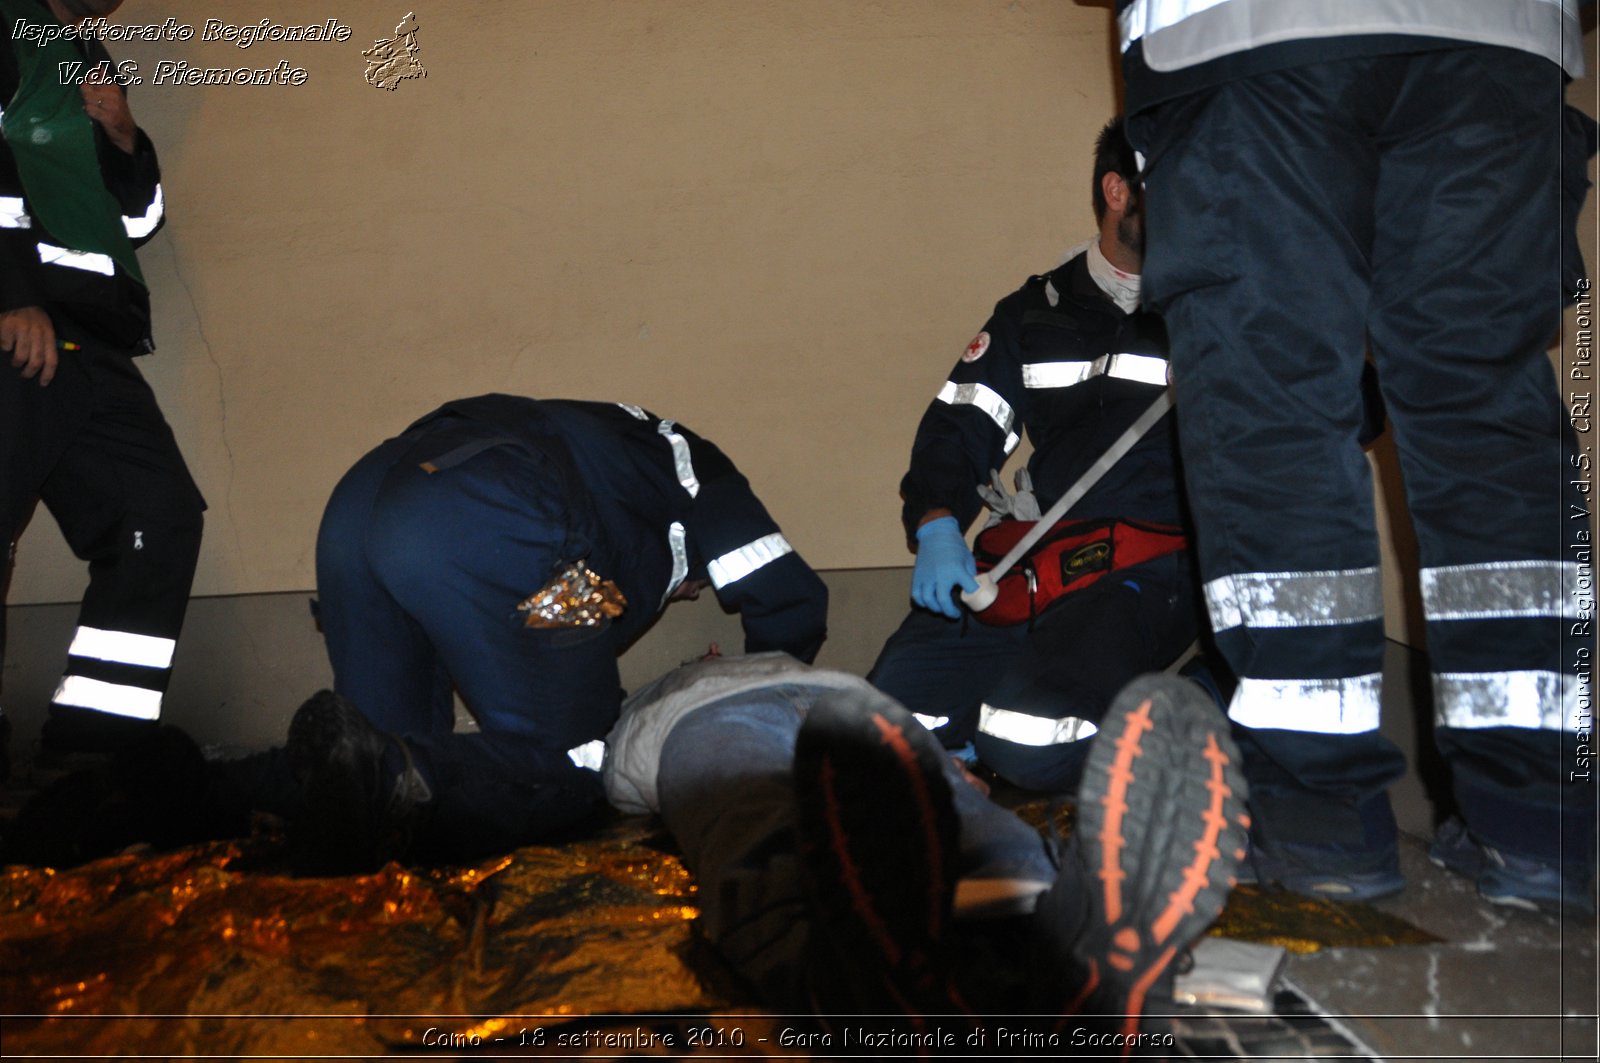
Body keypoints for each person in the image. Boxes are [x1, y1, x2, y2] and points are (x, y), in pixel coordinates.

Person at [1116, 0, 1595, 913]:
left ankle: (1318, 812)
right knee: (1487, 412)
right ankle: (1542, 821)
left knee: (1275, 409)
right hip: (1506, 36)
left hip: (1249, 37)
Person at [282, 394, 830, 871]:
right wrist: (760, 691)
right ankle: (384, 775)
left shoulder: (611, 481)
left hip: (363, 499)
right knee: (575, 760)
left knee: (361, 775)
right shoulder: (694, 469)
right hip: (474, 501)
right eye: (697, 587)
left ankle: (223, 788)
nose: (692, 596)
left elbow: (556, 635)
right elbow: (789, 596)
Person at [605, 653, 1249, 1043]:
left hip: (793, 707)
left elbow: (631, 789)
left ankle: (886, 969)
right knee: (937, 812)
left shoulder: (657, 702)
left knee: (758, 821)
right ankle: (1048, 939)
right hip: (784, 708)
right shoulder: (652, 696)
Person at [868, 118, 1204, 793]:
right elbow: (960, 423)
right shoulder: (1036, 311)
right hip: (1035, 557)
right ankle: (973, 733)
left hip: (1151, 562)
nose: (1196, 200)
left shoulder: (1214, 307)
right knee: (879, 729)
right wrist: (936, 521)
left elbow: (1327, 401)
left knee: (1026, 740)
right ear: (1117, 191)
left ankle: (1206, 706)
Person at [0, 0, 204, 781]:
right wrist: (10, 293)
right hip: (23, 318)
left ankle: (95, 748)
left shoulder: (85, 48)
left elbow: (139, 217)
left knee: (157, 514)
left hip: (94, 332)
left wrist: (125, 137)